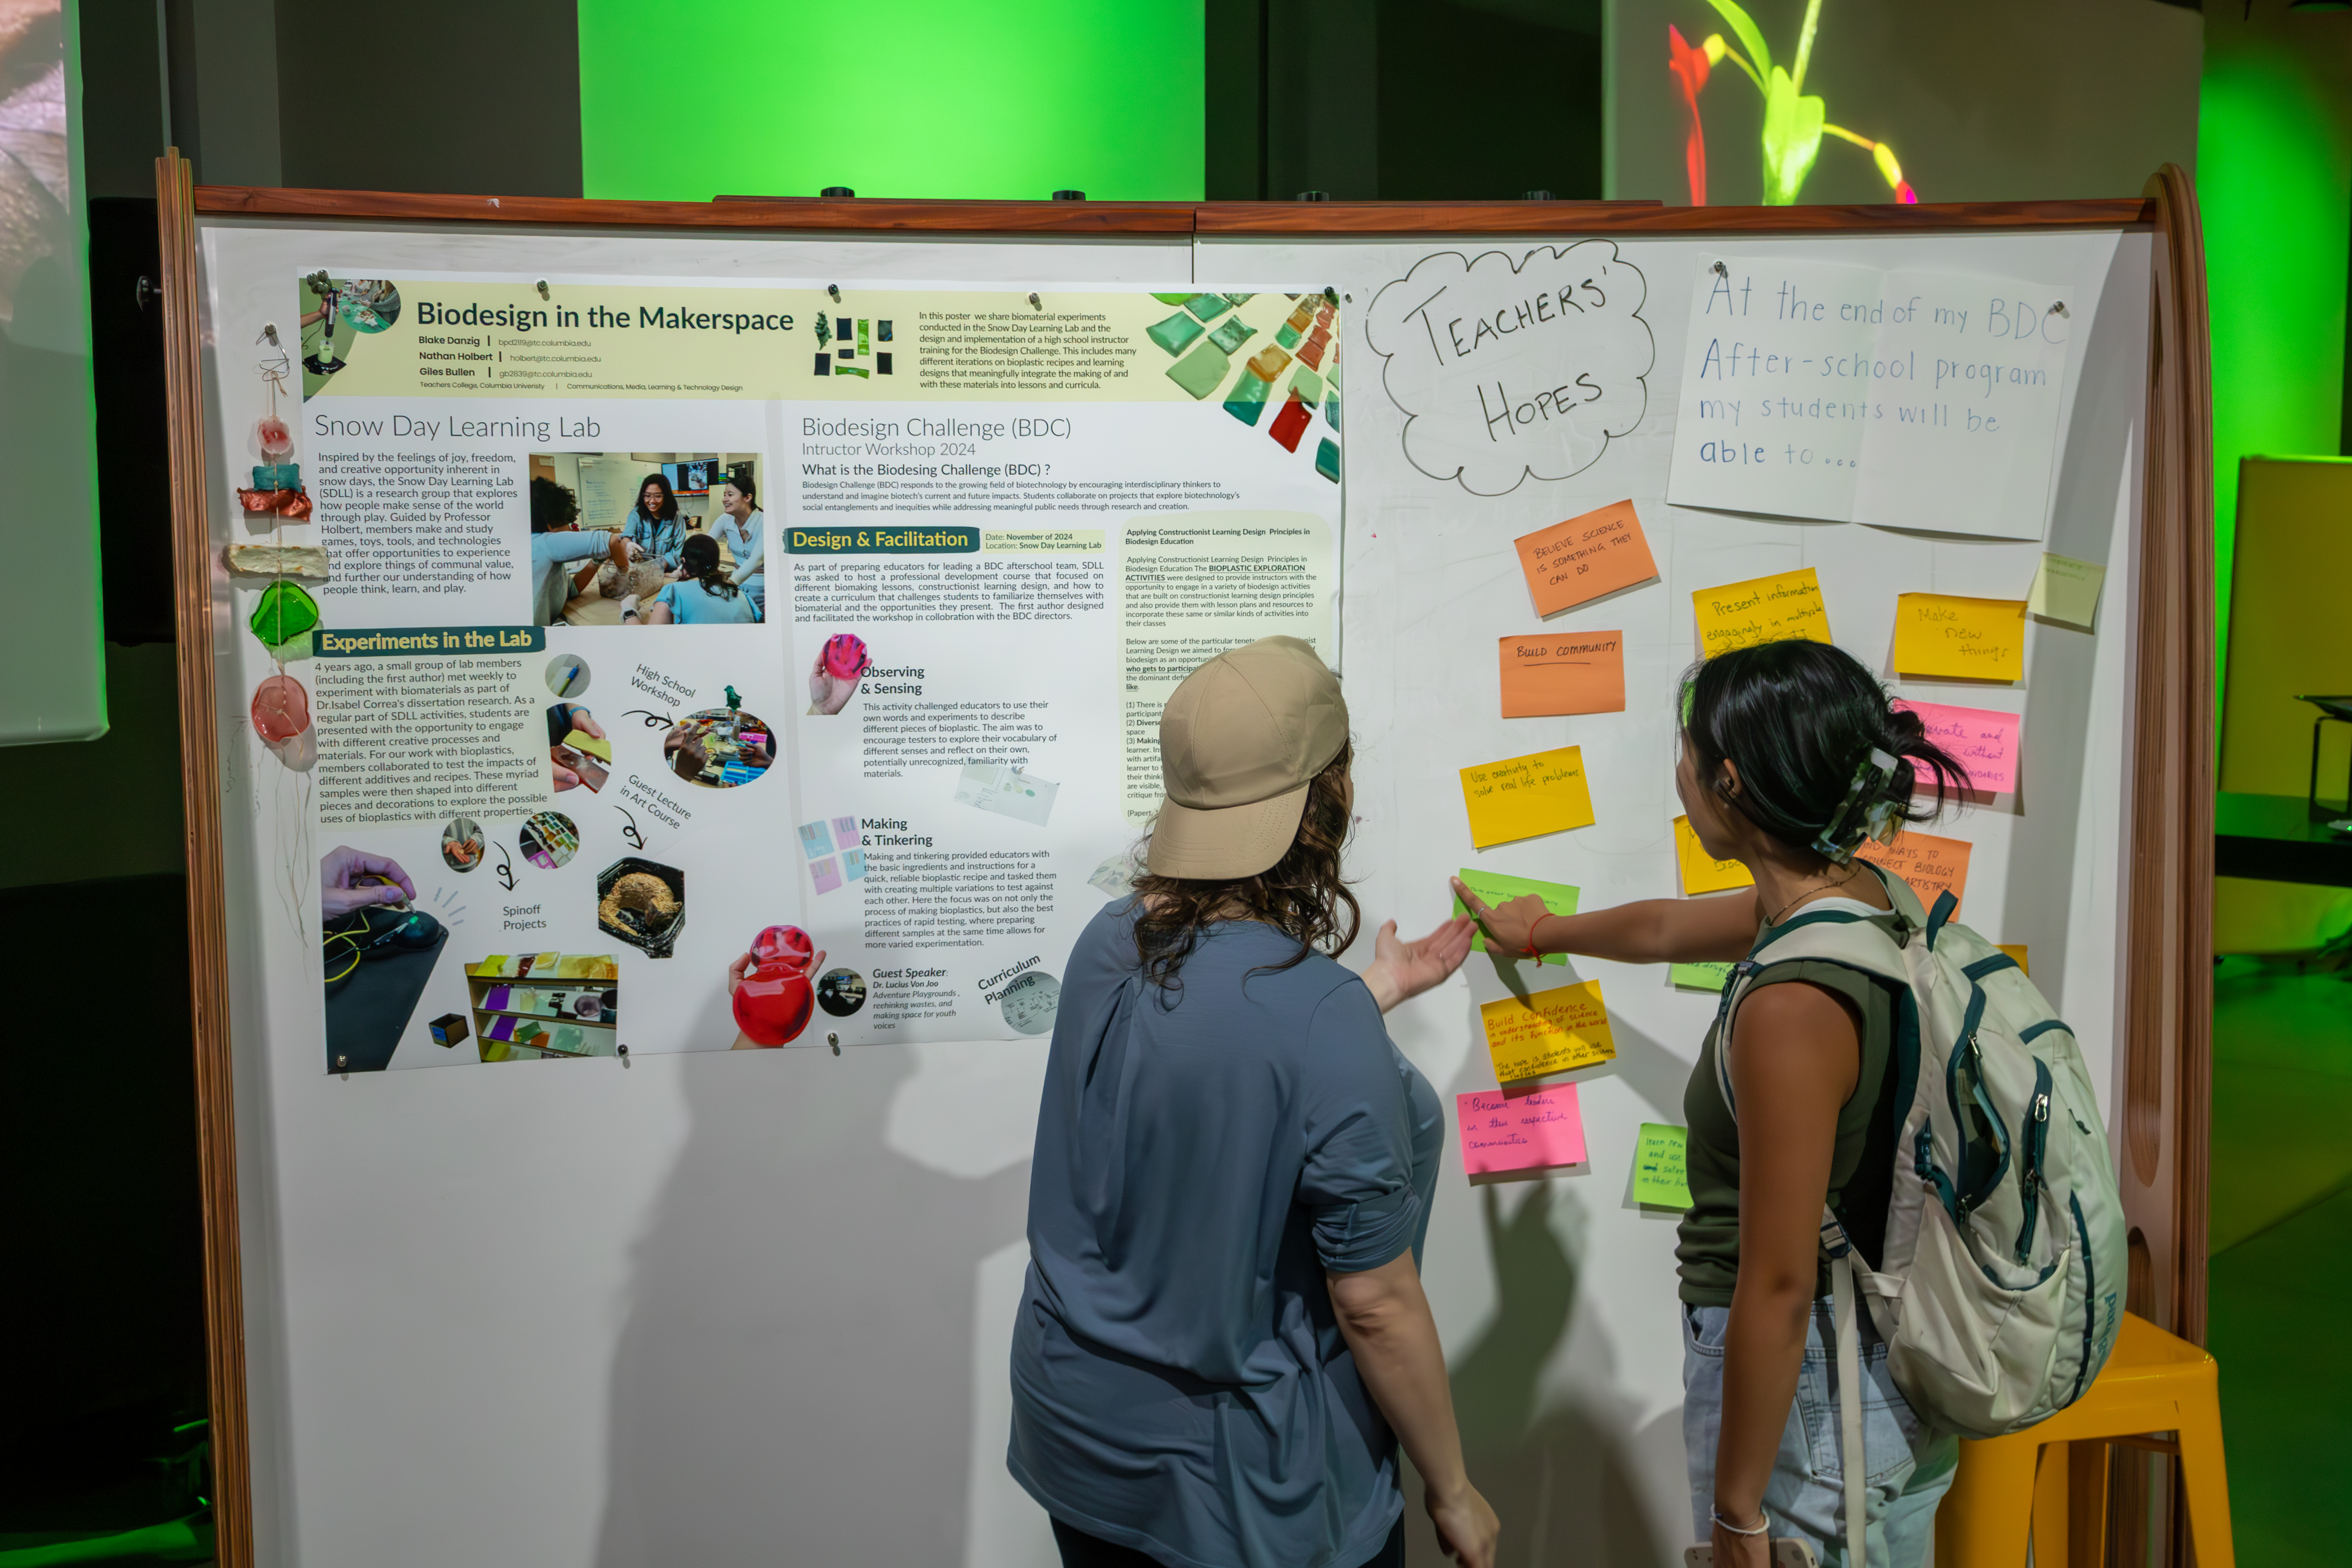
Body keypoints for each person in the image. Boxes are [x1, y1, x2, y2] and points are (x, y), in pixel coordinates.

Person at [1450, 640, 1972, 1568]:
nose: (1679, 771)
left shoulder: (1791, 1008)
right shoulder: (1854, 900)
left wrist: (1739, 1513)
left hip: (1805, 1404)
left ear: (1728, 782)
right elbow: (1668, 926)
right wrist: (1543, 931)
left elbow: (1776, 1284)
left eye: (1686, 752)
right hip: (1867, 1369)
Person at [1010, 635, 1500, 1568]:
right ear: (1326, 799)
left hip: (1075, 1434)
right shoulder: (1316, 1015)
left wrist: (1371, 994)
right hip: (1240, 1487)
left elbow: (1209, 1053)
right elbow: (1376, 1305)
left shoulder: (1108, 937)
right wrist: (1452, 1489)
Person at [530, 476, 630, 626]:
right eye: (568, 524)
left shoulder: (531, 543)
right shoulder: (546, 543)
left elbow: (570, 590)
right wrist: (625, 575)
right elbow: (614, 542)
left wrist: (597, 561)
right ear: (551, 525)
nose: (571, 529)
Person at [621, 533, 757, 626]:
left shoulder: (672, 591)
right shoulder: (743, 597)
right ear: (718, 564)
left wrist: (629, 610)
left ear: (683, 562)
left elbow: (652, 642)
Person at [708, 472, 766, 619]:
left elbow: (756, 560)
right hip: (737, 588)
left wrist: (730, 584)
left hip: (763, 590)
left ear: (748, 498)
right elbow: (704, 545)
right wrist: (680, 571)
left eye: (730, 495)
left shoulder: (765, 522)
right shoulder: (726, 519)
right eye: (724, 494)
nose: (724, 499)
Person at [623, 472, 686, 572]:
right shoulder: (636, 515)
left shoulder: (678, 520)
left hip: (665, 572)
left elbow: (678, 551)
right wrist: (629, 546)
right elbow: (627, 536)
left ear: (666, 496)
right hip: (639, 571)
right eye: (647, 496)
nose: (652, 501)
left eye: (658, 496)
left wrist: (658, 567)